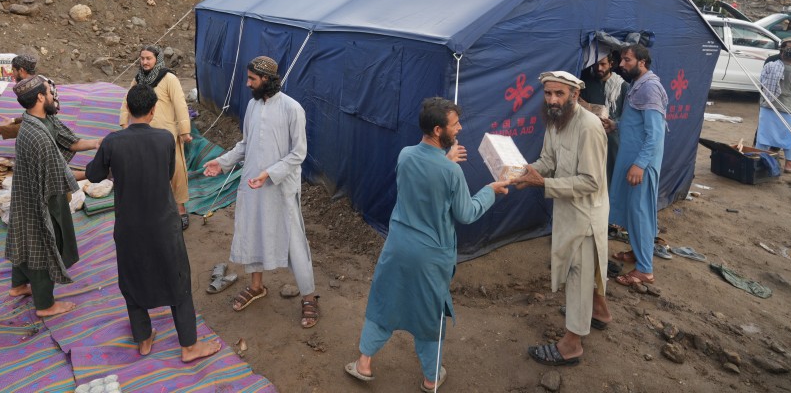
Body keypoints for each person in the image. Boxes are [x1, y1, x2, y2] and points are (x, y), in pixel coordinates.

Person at [344, 97, 508, 390]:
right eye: (454, 125)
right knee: (430, 315)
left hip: (397, 246)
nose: (458, 129)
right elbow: (466, 213)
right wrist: (490, 190)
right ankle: (431, 378)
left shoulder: (405, 155)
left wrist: (443, 163)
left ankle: (364, 363)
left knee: (383, 302)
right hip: (431, 256)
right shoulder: (451, 172)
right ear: (437, 129)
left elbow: (423, 180)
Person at [87, 84, 221, 361]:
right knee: (177, 280)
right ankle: (188, 346)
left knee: (132, 279)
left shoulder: (113, 141)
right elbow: (168, 173)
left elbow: (94, 175)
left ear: (128, 108)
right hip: (163, 223)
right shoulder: (164, 139)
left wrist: (105, 152)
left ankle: (144, 339)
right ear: (153, 110)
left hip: (128, 227)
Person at [202, 56, 319, 328]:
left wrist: (271, 173)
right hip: (252, 185)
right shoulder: (253, 106)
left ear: (266, 79)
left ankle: (309, 297)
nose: (247, 83)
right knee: (253, 232)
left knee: (294, 242)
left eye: (252, 79)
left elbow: (299, 153)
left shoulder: (292, 109)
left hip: (280, 188)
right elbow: (245, 144)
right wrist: (222, 162)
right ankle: (257, 287)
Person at [513, 72, 611, 367]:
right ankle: (600, 313)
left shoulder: (589, 127)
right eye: (548, 94)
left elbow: (591, 182)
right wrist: (524, 171)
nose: (553, 100)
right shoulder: (555, 121)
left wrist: (543, 184)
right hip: (566, 209)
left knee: (579, 274)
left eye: (559, 94)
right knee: (585, 270)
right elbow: (549, 161)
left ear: (575, 95)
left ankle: (571, 345)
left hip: (585, 214)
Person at [6, 75, 101, 317]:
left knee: (23, 236)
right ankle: (45, 305)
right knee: (43, 243)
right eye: (49, 92)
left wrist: (99, 142)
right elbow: (59, 175)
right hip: (40, 197)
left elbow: (71, 142)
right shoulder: (36, 136)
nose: (53, 96)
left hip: (29, 192)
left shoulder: (43, 120)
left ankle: (18, 285)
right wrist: (97, 173)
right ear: (40, 97)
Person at [609, 44, 667, 287]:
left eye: (627, 60)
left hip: (640, 164)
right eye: (622, 59)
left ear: (642, 62)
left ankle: (645, 270)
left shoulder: (650, 88)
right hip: (632, 159)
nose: (622, 64)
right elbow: (635, 123)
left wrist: (640, 165)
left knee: (640, 213)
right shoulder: (638, 84)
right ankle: (638, 252)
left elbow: (654, 134)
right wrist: (615, 125)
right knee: (636, 211)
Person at [119, 45, 193, 230]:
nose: (144, 62)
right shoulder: (137, 79)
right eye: (142, 58)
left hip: (167, 134)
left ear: (157, 59)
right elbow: (126, 102)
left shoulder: (169, 78)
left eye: (148, 58)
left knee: (176, 172)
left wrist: (184, 131)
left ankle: (181, 209)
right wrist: (123, 125)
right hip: (142, 135)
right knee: (148, 172)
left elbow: (180, 104)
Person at [756, 46, 791, 174]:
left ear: (782, 55)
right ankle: (789, 166)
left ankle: (758, 162)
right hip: (790, 110)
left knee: (763, 136)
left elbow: (762, 82)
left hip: (768, 107)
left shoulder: (770, 67)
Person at [581, 54, 627, 184]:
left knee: (613, 176)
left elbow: (628, 115)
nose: (598, 68)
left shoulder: (622, 87)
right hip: (592, 136)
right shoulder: (587, 84)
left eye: (603, 64)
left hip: (614, 139)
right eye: (595, 64)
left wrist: (614, 123)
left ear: (611, 64)